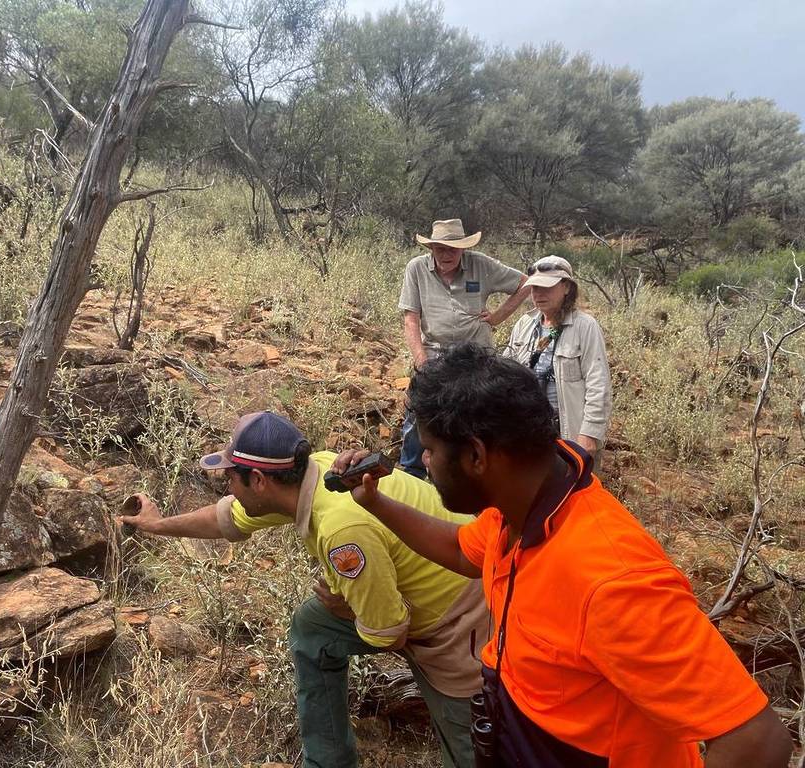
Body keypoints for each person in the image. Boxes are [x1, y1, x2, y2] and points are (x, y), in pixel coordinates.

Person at [331, 345, 792, 768]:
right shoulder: (517, 506)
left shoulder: (612, 579)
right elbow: (464, 552)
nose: (425, 463)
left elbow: (758, 741)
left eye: (430, 451)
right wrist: (375, 504)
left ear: (476, 456)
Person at [124, 411, 489, 768]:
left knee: (470, 749)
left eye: (229, 479)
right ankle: (328, 760)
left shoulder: (340, 530)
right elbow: (226, 519)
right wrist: (157, 525)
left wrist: (350, 609)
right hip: (410, 591)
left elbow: (390, 632)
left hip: (461, 617)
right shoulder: (311, 473)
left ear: (257, 481)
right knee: (314, 626)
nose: (227, 489)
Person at [398, 219, 529, 478]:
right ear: (431, 248)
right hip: (435, 351)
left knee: (479, 413)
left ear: (463, 249)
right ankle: (411, 471)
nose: (446, 254)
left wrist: (498, 316)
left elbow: (525, 283)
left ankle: (474, 473)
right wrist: (421, 359)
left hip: (475, 354)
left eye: (453, 249)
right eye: (440, 248)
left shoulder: (481, 265)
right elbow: (411, 317)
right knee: (419, 409)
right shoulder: (416, 268)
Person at [503, 255, 611, 458]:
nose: (539, 294)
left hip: (568, 433)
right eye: (535, 288)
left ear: (567, 288)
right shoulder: (524, 325)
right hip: (528, 430)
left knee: (574, 489)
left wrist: (589, 434)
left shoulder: (585, 326)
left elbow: (599, 384)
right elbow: (505, 375)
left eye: (547, 287)